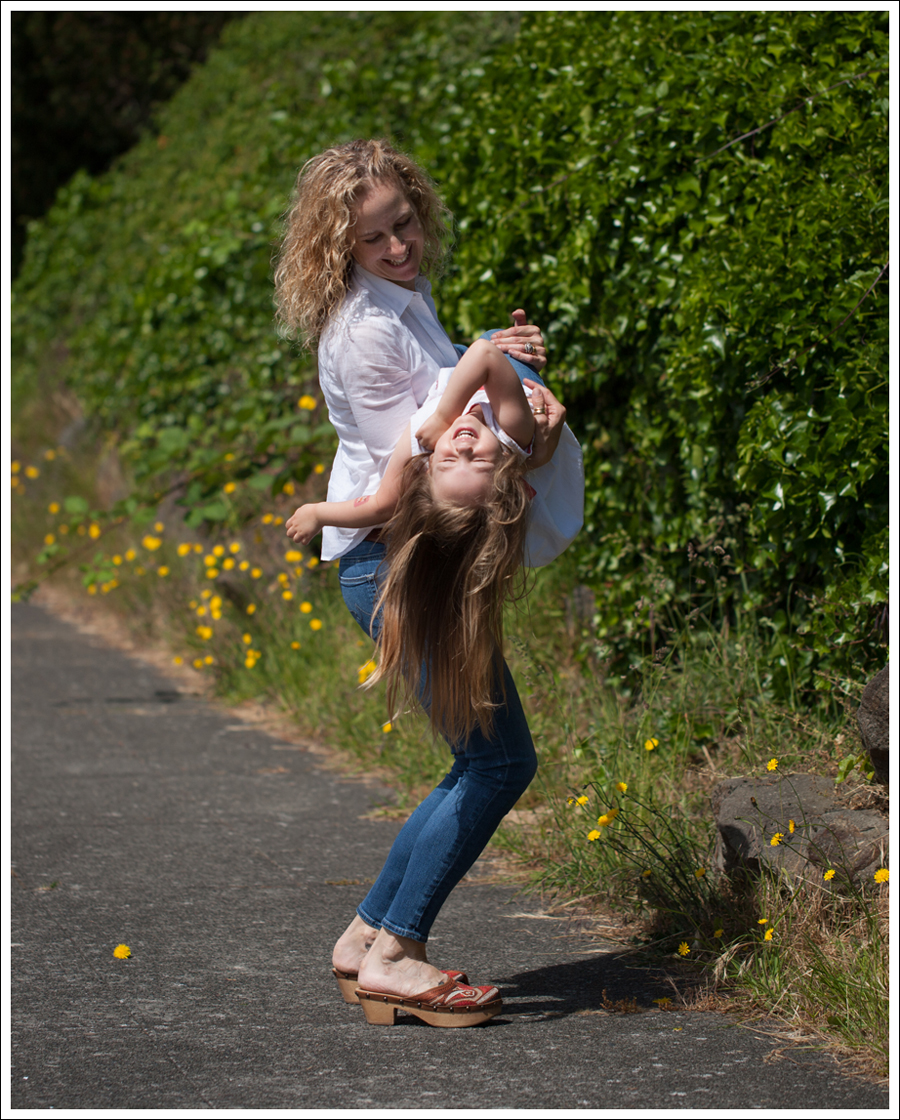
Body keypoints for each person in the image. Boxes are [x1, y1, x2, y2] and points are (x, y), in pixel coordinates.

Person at [275, 138, 580, 1028]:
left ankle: (366, 938)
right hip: (398, 564)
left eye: (404, 224)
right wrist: (525, 432)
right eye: (373, 240)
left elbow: (452, 396)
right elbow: (422, 471)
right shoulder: (364, 333)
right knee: (499, 762)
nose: (398, 247)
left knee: (480, 759)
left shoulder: (401, 299)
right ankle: (397, 956)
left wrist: (507, 366)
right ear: (340, 247)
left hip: (407, 564)